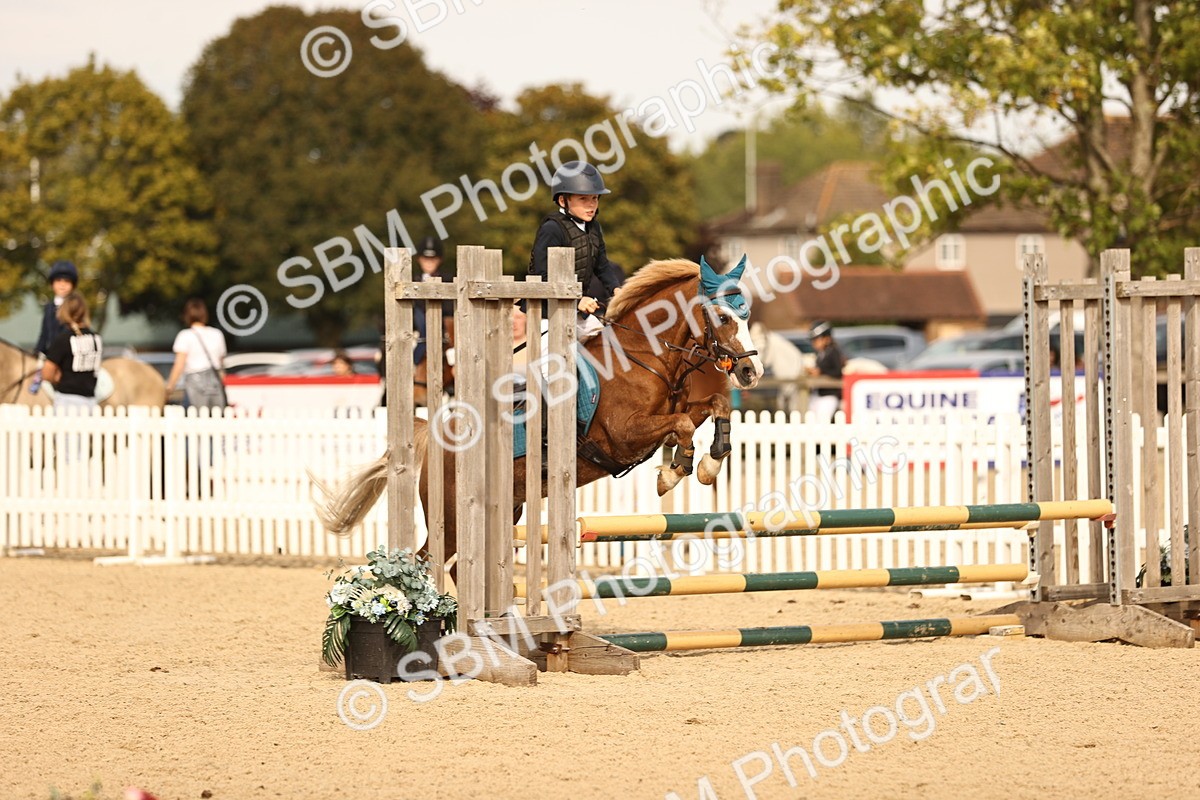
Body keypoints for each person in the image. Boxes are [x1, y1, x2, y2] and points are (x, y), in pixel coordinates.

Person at [528, 161, 625, 343]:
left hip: (577, 311)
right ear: (563, 200)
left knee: (606, 347)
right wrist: (577, 299)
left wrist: (617, 289)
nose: (591, 205)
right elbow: (543, 275)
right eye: (583, 199)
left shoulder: (594, 228)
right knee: (553, 369)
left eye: (595, 198)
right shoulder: (552, 229)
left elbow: (602, 266)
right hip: (547, 314)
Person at [42, 292, 102, 410]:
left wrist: (57, 378)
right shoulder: (96, 338)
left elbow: (46, 373)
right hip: (90, 402)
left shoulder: (63, 339)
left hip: (66, 402)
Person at [165, 298, 228, 409]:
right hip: (215, 383)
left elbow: (179, 365)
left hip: (194, 384)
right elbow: (221, 364)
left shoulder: (185, 335)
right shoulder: (217, 334)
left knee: (193, 418)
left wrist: (170, 387)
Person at [30, 260, 80, 394]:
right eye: (58, 281)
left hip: (68, 356)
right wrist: (38, 350)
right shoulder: (49, 307)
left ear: (73, 285)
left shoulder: (75, 306)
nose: (62, 285)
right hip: (50, 355)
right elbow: (44, 332)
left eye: (67, 281)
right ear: (52, 284)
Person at [807, 320, 846, 422]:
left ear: (827, 339)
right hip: (818, 394)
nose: (814, 343)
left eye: (816, 340)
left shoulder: (834, 352)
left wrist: (821, 372)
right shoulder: (820, 354)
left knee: (822, 421)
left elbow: (838, 372)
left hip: (830, 395)